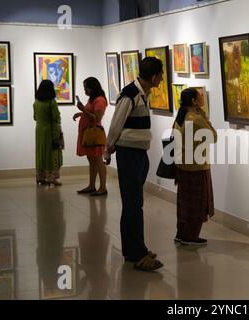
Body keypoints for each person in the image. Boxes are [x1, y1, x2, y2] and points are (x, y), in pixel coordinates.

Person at [104, 57, 164, 271]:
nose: (162, 79)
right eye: (161, 75)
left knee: (133, 204)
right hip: (128, 154)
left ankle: (132, 250)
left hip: (138, 153)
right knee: (133, 204)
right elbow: (116, 124)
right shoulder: (130, 94)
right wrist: (108, 148)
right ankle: (138, 254)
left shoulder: (141, 94)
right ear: (154, 76)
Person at [173, 88, 217, 246]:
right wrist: (204, 116)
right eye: (200, 95)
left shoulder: (181, 117)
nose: (203, 97)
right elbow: (213, 137)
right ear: (193, 101)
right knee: (197, 204)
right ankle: (191, 236)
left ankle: (181, 233)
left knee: (184, 202)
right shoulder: (196, 119)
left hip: (182, 165)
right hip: (197, 167)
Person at [74, 77, 108, 196]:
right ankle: (92, 185)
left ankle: (102, 187)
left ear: (92, 87)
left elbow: (97, 118)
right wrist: (81, 113)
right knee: (91, 160)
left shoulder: (100, 100)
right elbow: (91, 113)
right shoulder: (92, 99)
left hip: (94, 134)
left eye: (86, 88)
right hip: (89, 134)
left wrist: (83, 109)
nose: (85, 90)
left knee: (98, 160)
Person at [33, 80, 63, 186]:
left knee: (41, 153)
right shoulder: (52, 102)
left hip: (39, 130)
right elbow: (56, 117)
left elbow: (35, 117)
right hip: (51, 131)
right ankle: (52, 178)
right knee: (52, 154)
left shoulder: (36, 102)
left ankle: (40, 177)